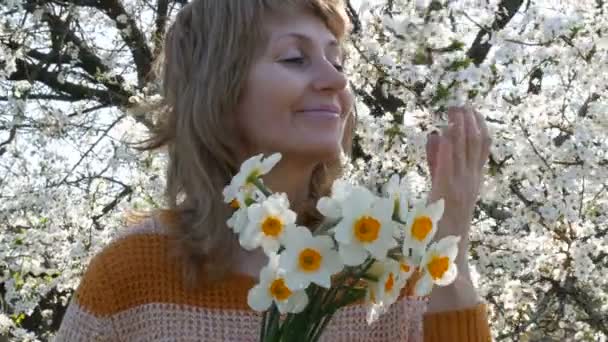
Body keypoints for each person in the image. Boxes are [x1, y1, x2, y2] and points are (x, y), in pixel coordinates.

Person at [56, 0, 492, 340]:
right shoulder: (132, 275)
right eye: (294, 59)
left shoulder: (383, 271)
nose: (336, 81)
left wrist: (450, 238)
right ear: (219, 91)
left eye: (337, 61)